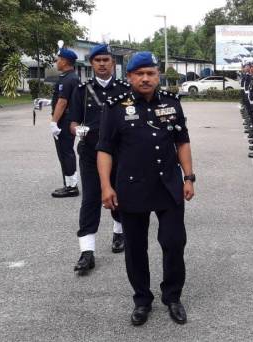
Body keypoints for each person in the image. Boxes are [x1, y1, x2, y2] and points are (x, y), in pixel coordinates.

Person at [97, 52, 195, 326]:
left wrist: (189, 177)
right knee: (136, 248)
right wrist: (106, 186)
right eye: (139, 73)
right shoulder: (116, 107)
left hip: (168, 185)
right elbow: (104, 149)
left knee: (174, 242)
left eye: (150, 73)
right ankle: (142, 300)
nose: (145, 78)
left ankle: (172, 297)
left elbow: (182, 142)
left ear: (158, 75)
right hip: (132, 187)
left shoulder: (172, 103)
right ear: (129, 77)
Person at [67, 44, 129, 275]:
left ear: (112, 63)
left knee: (119, 194)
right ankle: (87, 252)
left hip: (119, 153)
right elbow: (72, 121)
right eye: (97, 60)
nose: (102, 64)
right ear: (91, 64)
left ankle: (118, 233)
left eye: (106, 60)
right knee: (91, 198)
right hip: (91, 152)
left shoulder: (125, 89)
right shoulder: (82, 90)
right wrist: (77, 130)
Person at [50, 47, 80, 198]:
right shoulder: (67, 77)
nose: (56, 62)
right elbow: (59, 99)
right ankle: (68, 183)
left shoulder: (69, 78)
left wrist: (54, 122)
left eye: (58, 59)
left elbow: (63, 102)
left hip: (65, 121)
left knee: (66, 152)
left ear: (65, 61)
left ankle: (72, 186)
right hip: (65, 119)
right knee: (64, 152)